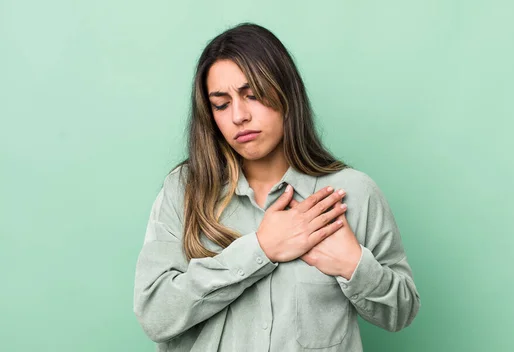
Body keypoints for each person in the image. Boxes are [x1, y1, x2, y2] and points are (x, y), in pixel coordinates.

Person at [133, 22, 420, 352]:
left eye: (252, 95)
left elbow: (402, 312)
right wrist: (261, 249)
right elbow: (155, 316)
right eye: (221, 104)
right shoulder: (183, 191)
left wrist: (353, 265)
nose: (239, 116)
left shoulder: (352, 193)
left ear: (286, 93)